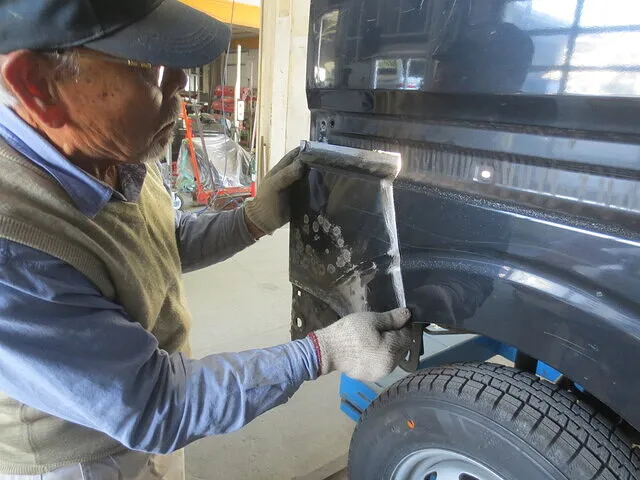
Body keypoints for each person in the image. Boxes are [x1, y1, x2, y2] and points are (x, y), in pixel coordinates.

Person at [0, 0, 413, 478]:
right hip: (82, 459)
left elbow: (156, 243)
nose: (180, 83)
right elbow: (155, 404)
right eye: (148, 66)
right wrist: (322, 352)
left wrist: (250, 219)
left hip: (159, 416)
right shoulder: (14, 242)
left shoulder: (114, 147)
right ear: (38, 87)